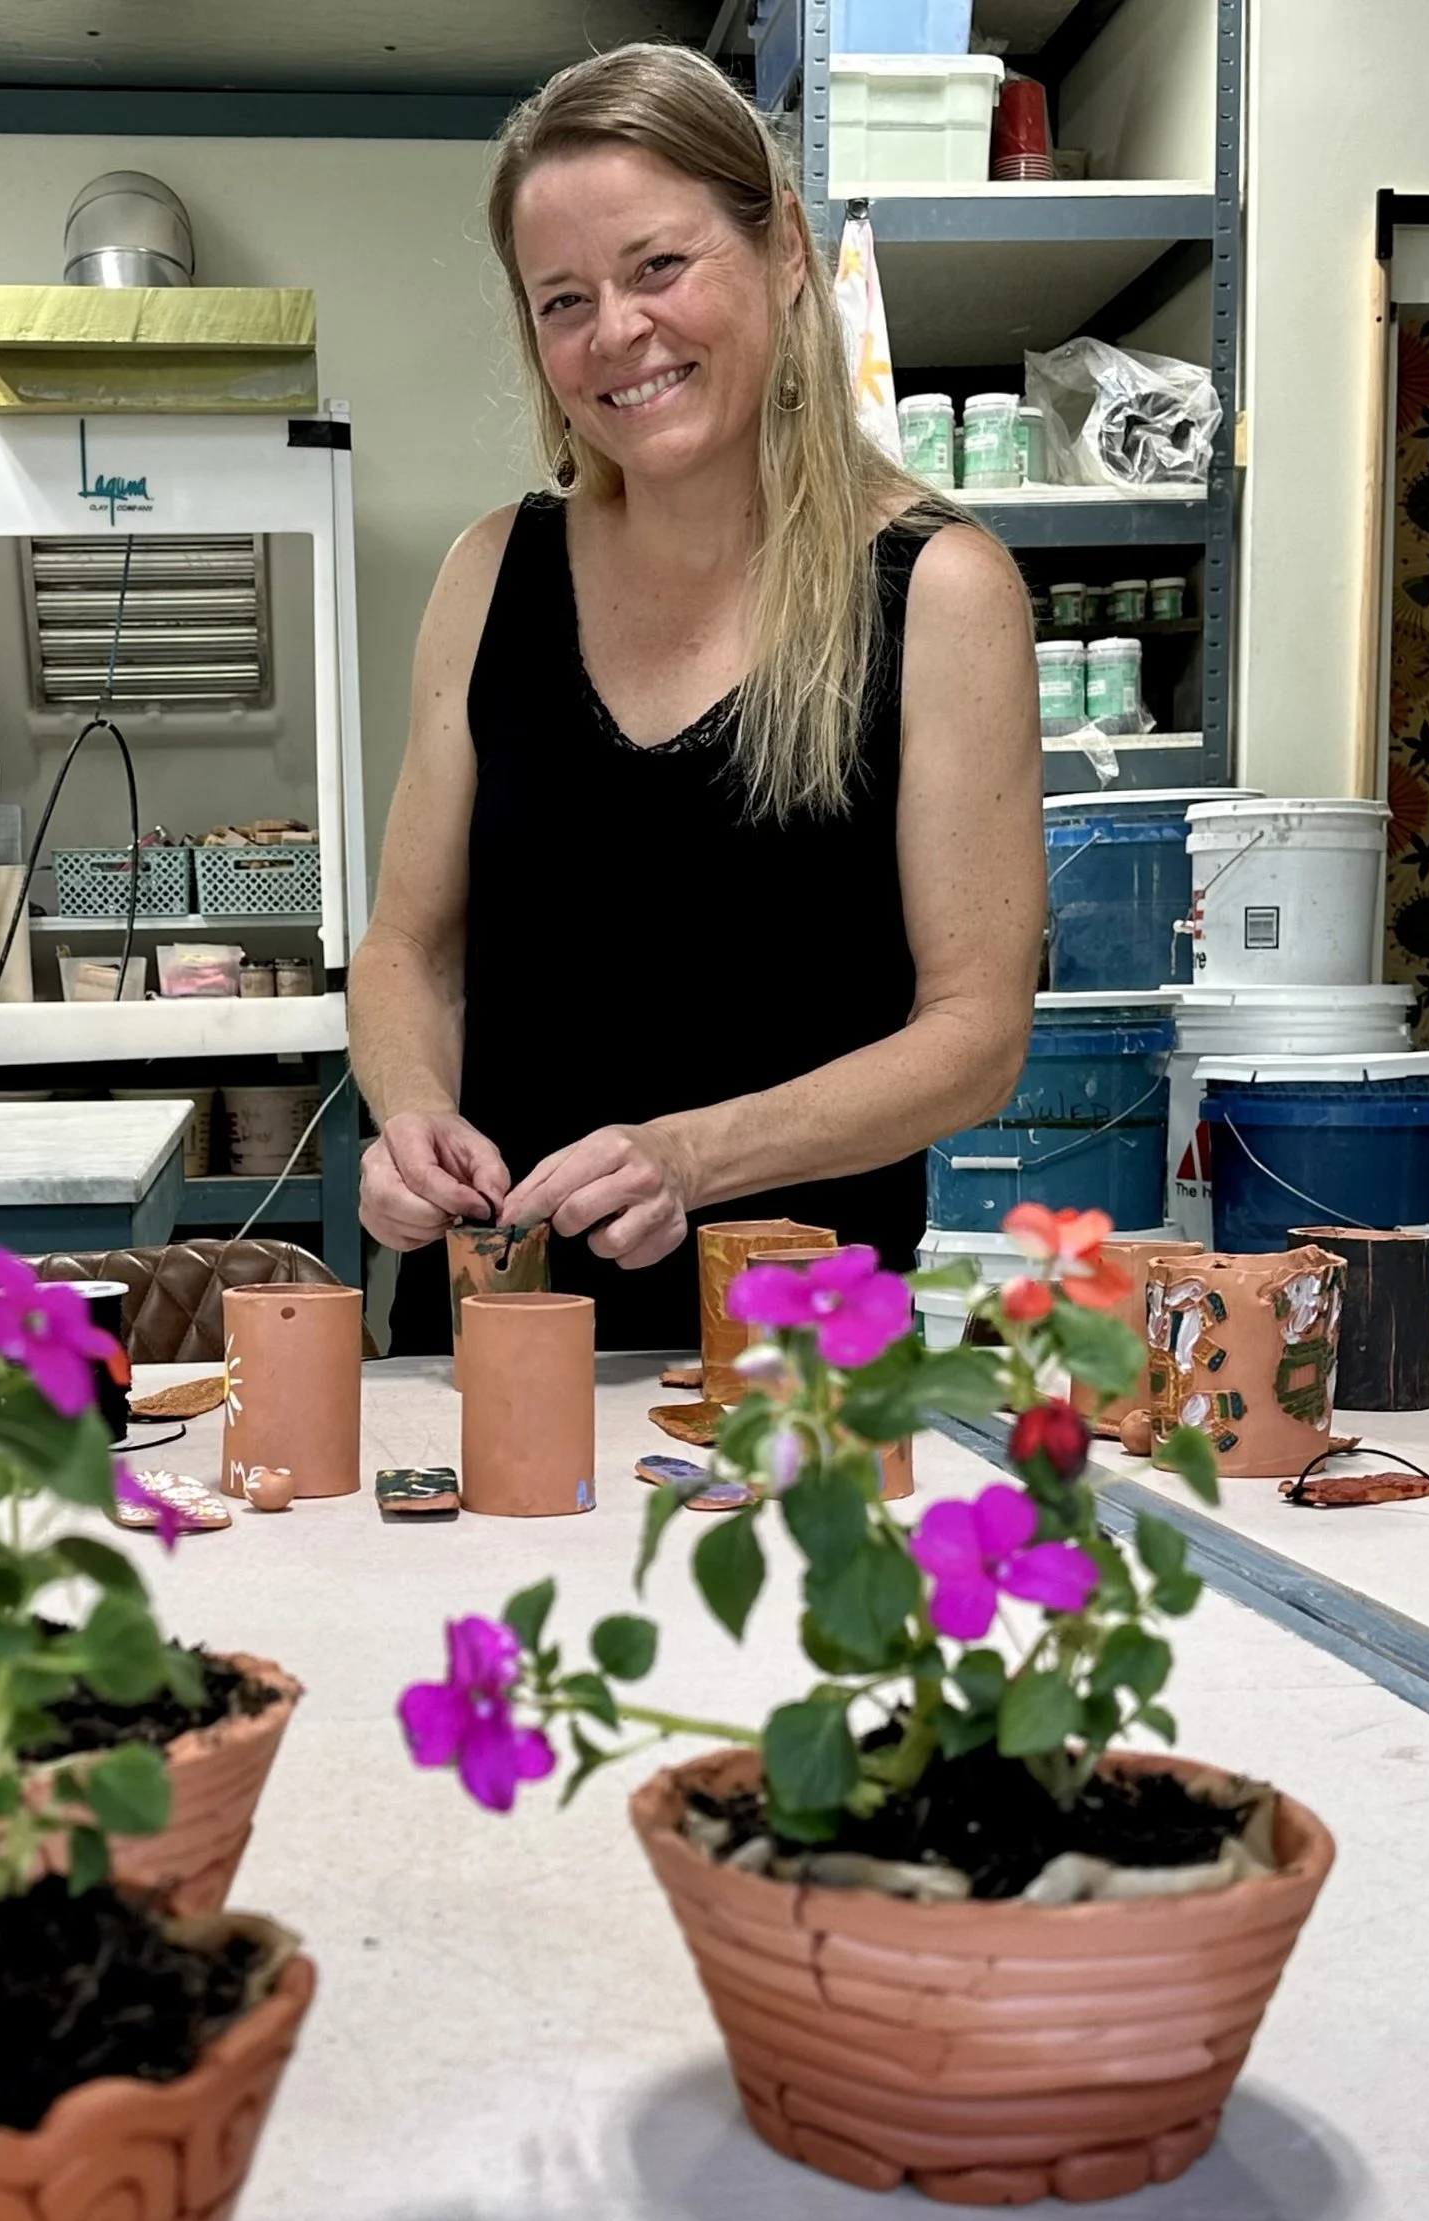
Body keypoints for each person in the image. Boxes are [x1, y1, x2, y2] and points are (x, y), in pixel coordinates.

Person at [349, 42, 1043, 1352]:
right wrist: (411, 1113)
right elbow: (409, 948)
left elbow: (976, 1032)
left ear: (784, 251)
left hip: (793, 1376)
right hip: (491, 1349)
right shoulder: (490, 576)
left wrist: (691, 1157)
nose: (616, 331)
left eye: (659, 266)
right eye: (564, 299)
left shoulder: (940, 593)